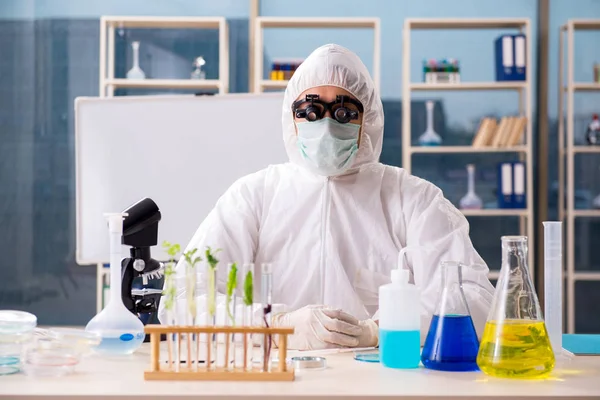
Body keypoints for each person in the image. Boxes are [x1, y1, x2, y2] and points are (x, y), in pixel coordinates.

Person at [159, 43, 494, 351]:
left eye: (344, 112)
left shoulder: (412, 199)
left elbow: (475, 301)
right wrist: (272, 324)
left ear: (370, 119)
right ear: (291, 118)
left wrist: (382, 330)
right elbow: (182, 300)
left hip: (382, 380)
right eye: (310, 111)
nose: (327, 126)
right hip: (277, 378)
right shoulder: (254, 196)